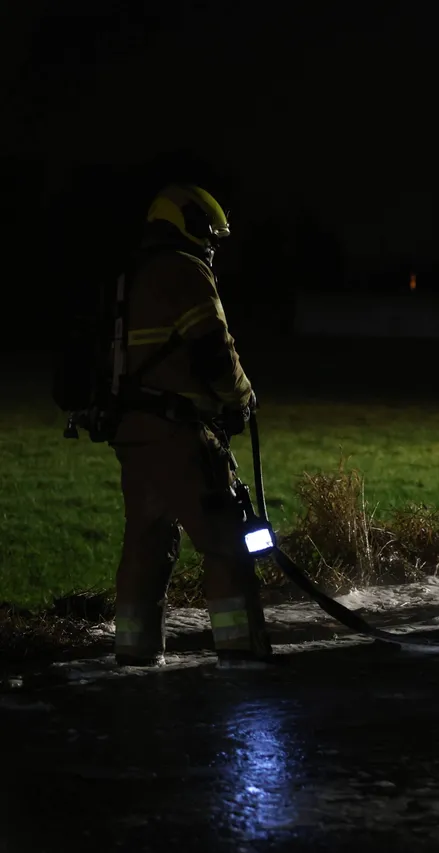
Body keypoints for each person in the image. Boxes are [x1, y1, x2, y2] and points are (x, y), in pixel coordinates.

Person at [107, 183, 274, 670]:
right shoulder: (184, 270)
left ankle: (133, 654)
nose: (212, 245)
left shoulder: (129, 274)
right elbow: (213, 350)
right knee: (227, 540)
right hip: (180, 433)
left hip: (133, 434)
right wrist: (242, 398)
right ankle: (242, 651)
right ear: (188, 223)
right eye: (210, 234)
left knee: (146, 543)